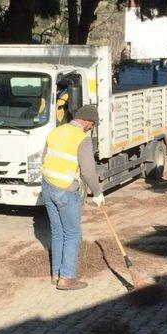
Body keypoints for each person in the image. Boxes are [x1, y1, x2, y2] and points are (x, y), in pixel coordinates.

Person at [41, 104, 105, 290]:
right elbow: (88, 171)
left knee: (58, 232)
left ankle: (56, 274)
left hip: (48, 187)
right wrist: (98, 193)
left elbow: (44, 157)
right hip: (66, 192)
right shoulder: (81, 139)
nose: (92, 128)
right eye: (92, 124)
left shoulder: (56, 131)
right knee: (73, 234)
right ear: (85, 120)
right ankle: (67, 278)